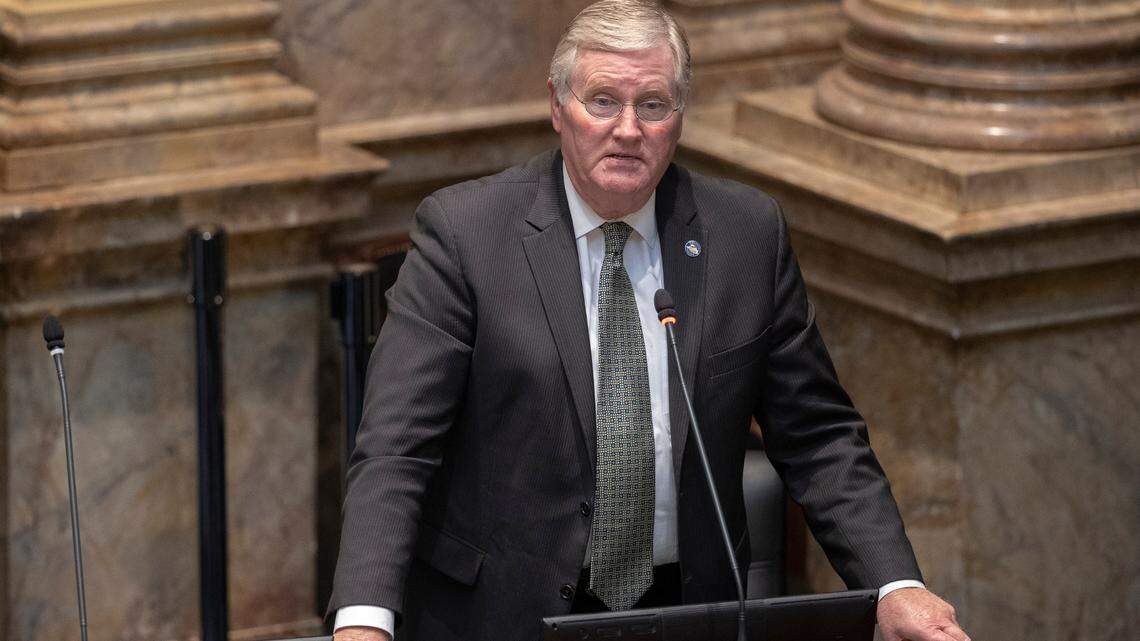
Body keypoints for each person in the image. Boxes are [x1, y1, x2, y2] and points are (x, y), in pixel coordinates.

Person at [329, 2, 970, 641]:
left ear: (680, 119)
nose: (628, 130)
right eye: (603, 101)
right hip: (502, 613)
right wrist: (364, 621)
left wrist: (895, 585)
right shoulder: (467, 234)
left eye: (653, 105)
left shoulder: (744, 237)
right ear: (558, 108)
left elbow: (820, 439)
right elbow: (396, 447)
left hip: (688, 611)